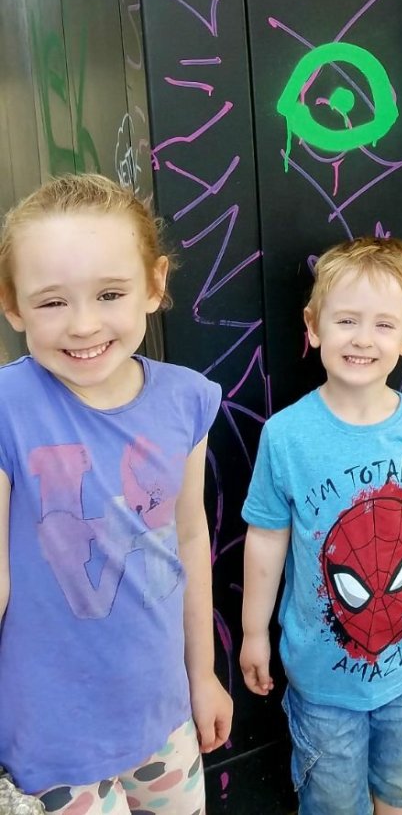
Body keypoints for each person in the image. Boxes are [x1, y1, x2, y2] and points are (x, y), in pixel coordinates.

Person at [0, 172, 232, 813]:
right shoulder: (8, 408)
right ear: (13, 305)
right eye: (52, 302)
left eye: (109, 293)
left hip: (163, 719)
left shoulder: (185, 400)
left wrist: (202, 674)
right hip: (50, 745)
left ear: (155, 284)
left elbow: (190, 538)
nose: (83, 324)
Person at [240, 236, 402, 815]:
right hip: (322, 682)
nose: (363, 339)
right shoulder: (286, 437)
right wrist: (254, 632)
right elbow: (266, 538)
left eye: (384, 325)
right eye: (346, 321)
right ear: (313, 326)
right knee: (333, 802)